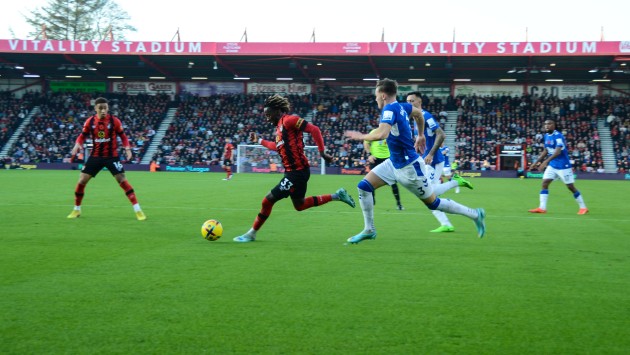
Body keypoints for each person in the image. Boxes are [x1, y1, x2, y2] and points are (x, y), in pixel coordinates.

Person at [344, 79, 485, 244]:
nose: (375, 99)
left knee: (433, 203)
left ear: (382, 95)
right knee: (364, 186)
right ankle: (369, 230)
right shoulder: (403, 106)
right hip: (394, 163)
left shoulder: (389, 109)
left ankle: (475, 214)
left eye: (376, 96)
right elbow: (418, 113)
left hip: (409, 167)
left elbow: (382, 134)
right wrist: (421, 135)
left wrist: (360, 137)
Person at [233, 94, 356, 243]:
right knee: (300, 205)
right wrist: (258, 140)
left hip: (296, 173)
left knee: (267, 201)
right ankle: (337, 195)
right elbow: (275, 147)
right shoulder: (279, 129)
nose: (267, 118)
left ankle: (251, 234)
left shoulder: (290, 120)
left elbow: (314, 129)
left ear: (277, 111)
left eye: (268, 114)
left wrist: (322, 152)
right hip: (296, 172)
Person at [67, 97, 146, 220]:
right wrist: (77, 144)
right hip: (95, 156)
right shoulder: (90, 122)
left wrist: (127, 149)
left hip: (111, 156)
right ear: (95, 108)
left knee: (122, 179)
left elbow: (123, 137)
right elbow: (82, 136)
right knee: (82, 180)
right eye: (100, 108)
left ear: (108, 108)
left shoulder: (115, 121)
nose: (103, 110)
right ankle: (76, 210)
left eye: (105, 108)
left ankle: (138, 210)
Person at [406, 91, 473, 233]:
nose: (409, 104)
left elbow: (441, 134)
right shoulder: (415, 118)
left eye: (412, 101)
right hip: (427, 160)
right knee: (430, 197)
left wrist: (430, 154)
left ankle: (456, 182)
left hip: (434, 161)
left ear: (419, 102)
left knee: (427, 194)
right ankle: (446, 224)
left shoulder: (426, 116)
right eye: (407, 101)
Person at [528, 119, 588, 215]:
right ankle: (542, 208)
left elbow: (558, 152)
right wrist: (536, 162)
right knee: (544, 183)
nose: (547, 126)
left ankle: (583, 207)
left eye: (549, 124)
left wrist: (545, 162)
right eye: (545, 124)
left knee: (570, 187)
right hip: (553, 165)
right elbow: (545, 151)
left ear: (554, 125)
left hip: (563, 166)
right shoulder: (546, 136)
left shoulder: (558, 136)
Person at [363, 129, 404, 210]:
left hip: (388, 159)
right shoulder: (374, 132)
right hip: (375, 159)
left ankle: (399, 204)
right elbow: (366, 142)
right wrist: (369, 155)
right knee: (370, 182)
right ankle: (372, 202)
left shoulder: (391, 132)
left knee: (393, 182)